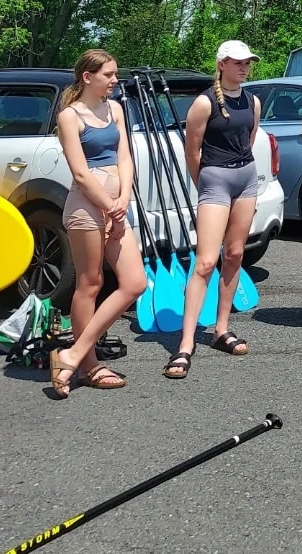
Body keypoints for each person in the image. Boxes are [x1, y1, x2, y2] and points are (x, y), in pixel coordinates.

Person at [49, 50, 149, 397]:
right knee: (90, 283)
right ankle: (88, 364)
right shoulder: (69, 116)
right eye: (108, 74)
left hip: (117, 205)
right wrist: (109, 205)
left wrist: (123, 200)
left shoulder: (116, 109)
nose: (115, 80)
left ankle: (71, 354)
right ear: (87, 77)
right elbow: (79, 171)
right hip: (86, 208)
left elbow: (125, 157)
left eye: (115, 74)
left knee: (135, 282)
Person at [163, 39, 261, 378]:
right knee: (205, 262)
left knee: (234, 255)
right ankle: (185, 344)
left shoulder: (253, 101)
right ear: (221, 65)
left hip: (246, 181)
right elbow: (192, 152)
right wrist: (203, 185)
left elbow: (248, 141)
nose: (244, 67)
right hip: (214, 182)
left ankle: (221, 328)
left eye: (247, 62)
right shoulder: (203, 103)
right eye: (237, 62)